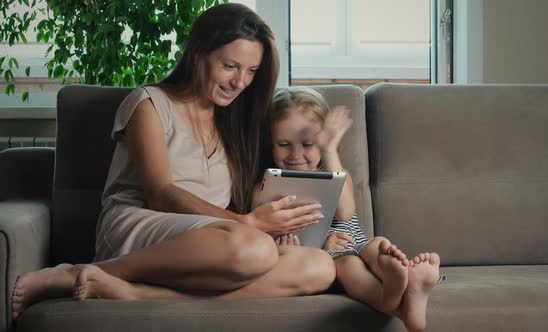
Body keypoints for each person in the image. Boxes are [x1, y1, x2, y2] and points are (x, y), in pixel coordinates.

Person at [11, 4, 335, 321]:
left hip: (213, 245)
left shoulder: (237, 124)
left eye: (251, 71)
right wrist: (247, 224)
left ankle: (136, 292)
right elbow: (160, 193)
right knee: (255, 248)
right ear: (198, 54)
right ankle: (75, 275)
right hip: (140, 227)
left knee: (320, 267)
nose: (241, 82)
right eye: (231, 66)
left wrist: (285, 223)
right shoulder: (149, 103)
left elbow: (278, 176)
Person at [263, 87, 442, 332]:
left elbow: (346, 212)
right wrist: (303, 249)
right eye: (284, 144)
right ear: (269, 141)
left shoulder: (334, 174)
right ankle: (393, 297)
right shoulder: (268, 186)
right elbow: (265, 235)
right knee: (349, 266)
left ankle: (397, 277)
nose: (296, 154)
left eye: (308, 144)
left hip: (356, 241)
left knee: (379, 245)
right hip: (328, 257)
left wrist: (329, 151)